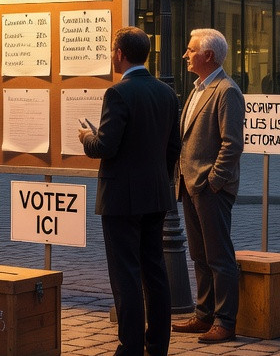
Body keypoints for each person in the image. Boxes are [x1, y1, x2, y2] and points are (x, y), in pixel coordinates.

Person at [78, 27, 181, 356]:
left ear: (120, 54)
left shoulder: (118, 93)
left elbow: (105, 146)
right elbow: (173, 147)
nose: (111, 55)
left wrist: (85, 138)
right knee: (155, 271)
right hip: (155, 196)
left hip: (121, 199)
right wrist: (158, 180)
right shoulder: (167, 94)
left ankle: (131, 347)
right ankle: (158, 346)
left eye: (112, 50)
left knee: (126, 276)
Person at [173, 28, 244, 344]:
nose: (185, 55)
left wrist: (214, 181)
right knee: (200, 255)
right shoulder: (198, 88)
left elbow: (232, 143)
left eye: (190, 50)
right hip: (190, 184)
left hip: (210, 187)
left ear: (208, 55)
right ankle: (204, 315)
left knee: (219, 257)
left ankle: (225, 321)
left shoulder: (226, 90)